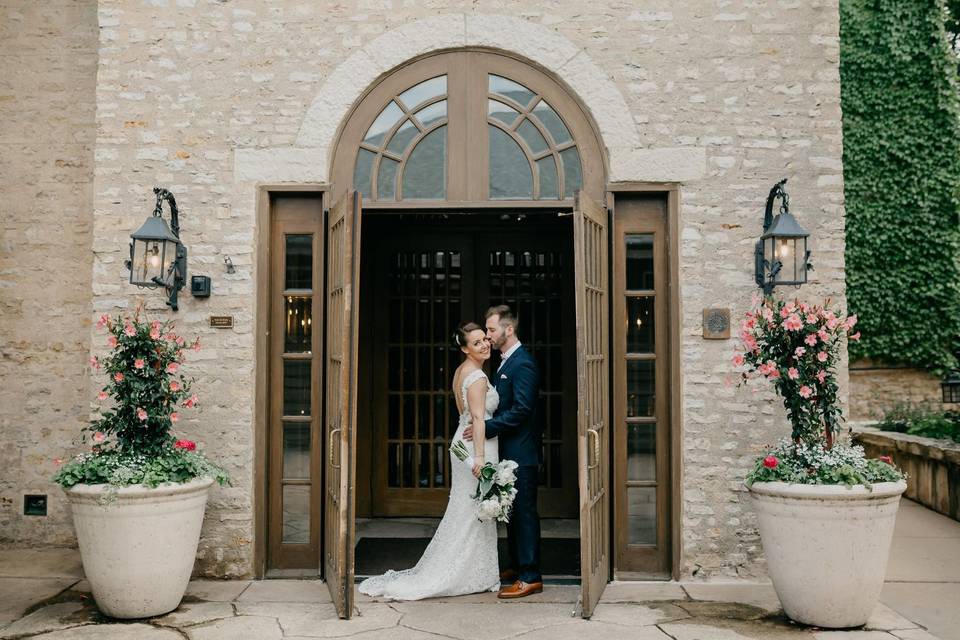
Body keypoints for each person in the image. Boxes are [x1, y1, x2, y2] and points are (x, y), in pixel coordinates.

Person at [358, 321, 500, 600]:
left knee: (465, 510)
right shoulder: (479, 378)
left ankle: (472, 569)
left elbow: (464, 415)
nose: (484, 344)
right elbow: (479, 419)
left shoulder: (461, 372)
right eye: (476, 343)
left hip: (460, 442)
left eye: (485, 339)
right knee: (475, 511)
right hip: (474, 448)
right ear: (464, 348)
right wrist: (480, 459)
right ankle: (466, 573)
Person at [465, 305, 542, 599]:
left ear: (509, 330)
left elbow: (522, 409)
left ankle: (531, 575)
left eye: (492, 330)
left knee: (523, 514)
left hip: (522, 452)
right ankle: (515, 566)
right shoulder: (503, 362)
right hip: (508, 451)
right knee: (511, 511)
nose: (487, 335)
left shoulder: (523, 363)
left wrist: (488, 427)